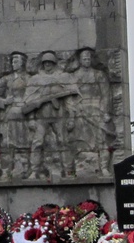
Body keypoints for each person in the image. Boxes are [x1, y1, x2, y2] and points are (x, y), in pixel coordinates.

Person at [22, 51, 76, 178]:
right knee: (37, 143)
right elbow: (29, 101)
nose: (47, 65)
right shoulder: (35, 79)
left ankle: (68, 171)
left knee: (63, 142)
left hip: (59, 117)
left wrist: (72, 117)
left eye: (50, 63)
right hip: (41, 117)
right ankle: (34, 170)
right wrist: (30, 119)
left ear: (54, 64)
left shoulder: (62, 78)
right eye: (45, 63)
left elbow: (69, 101)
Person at [67, 47, 115, 175]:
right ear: (80, 60)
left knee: (102, 140)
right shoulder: (74, 76)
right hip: (81, 112)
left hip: (96, 110)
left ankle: (104, 167)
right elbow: (69, 97)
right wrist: (72, 114)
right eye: (84, 59)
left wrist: (106, 112)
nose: (87, 61)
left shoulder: (99, 75)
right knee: (80, 140)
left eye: (88, 58)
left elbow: (106, 94)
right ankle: (78, 167)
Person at [0, 52, 30, 179]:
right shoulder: (5, 80)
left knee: (25, 142)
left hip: (26, 114)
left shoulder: (29, 78)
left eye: (16, 61)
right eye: (12, 61)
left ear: (23, 62)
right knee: (9, 143)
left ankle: (25, 167)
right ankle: (8, 170)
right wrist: (5, 101)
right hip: (9, 115)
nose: (14, 63)